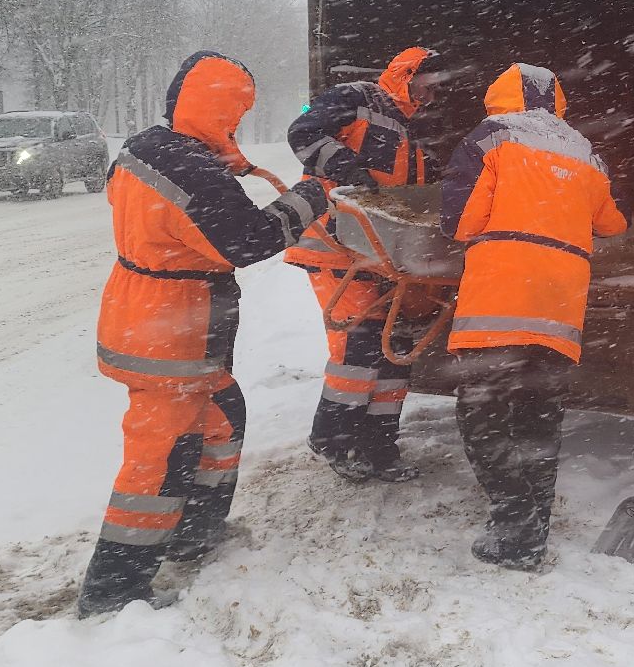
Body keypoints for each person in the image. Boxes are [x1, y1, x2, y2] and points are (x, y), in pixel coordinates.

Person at [79, 51, 331, 617]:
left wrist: (225, 161)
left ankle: (196, 533)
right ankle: (114, 592)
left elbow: (175, 207)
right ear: (216, 109)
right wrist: (309, 198)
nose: (237, 126)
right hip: (169, 334)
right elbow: (247, 242)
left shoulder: (150, 147)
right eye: (235, 116)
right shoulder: (190, 170)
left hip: (152, 317)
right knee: (159, 458)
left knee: (221, 417)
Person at [440, 63, 627, 570]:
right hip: (559, 304)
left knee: (482, 414)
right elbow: (611, 222)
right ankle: (534, 520)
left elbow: (460, 220)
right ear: (555, 101)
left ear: (500, 95)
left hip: (499, 301)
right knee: (538, 415)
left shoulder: (491, 138)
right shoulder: (584, 150)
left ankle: (515, 518)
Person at [285, 47, 447, 483]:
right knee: (357, 347)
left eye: (436, 90)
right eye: (426, 87)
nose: (432, 96)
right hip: (334, 243)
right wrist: (348, 171)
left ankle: (379, 445)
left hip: (379, 254)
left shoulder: (411, 130)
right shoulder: (356, 97)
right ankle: (335, 439)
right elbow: (303, 132)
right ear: (408, 75)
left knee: (394, 349)